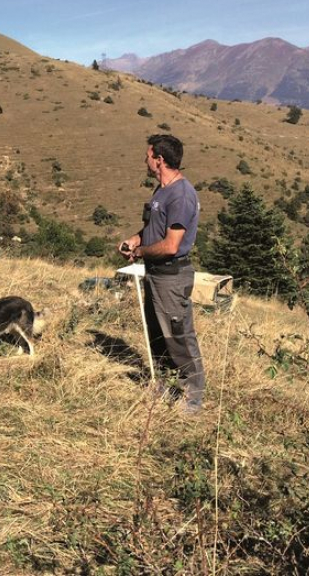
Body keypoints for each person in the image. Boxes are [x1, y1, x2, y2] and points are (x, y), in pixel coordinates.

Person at [119, 134, 204, 413]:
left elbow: (171, 245)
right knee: (157, 332)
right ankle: (165, 385)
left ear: (160, 160)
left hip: (171, 276)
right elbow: (154, 231)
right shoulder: (161, 190)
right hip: (156, 274)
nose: (145, 159)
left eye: (148, 155)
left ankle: (192, 399)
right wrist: (137, 239)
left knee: (178, 336)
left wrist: (141, 253)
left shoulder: (181, 195)